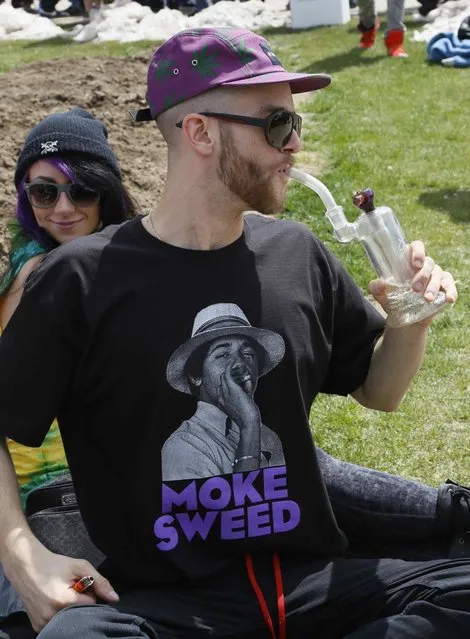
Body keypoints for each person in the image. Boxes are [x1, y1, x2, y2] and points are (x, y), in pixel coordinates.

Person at [0, 28, 469, 635]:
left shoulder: (296, 253)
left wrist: (409, 323)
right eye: (277, 126)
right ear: (200, 132)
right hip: (168, 602)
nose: (295, 146)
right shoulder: (82, 279)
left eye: (295, 127)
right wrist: (21, 556)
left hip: (307, 580)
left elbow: (380, 392)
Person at [0, 107, 135, 638]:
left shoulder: (117, 264)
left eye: (81, 192)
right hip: (45, 491)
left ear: (106, 194)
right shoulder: (34, 271)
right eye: (43, 192)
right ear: (25, 196)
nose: (62, 208)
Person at [162, 302, 286, 480]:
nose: (240, 364)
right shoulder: (184, 446)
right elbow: (240, 507)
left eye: (248, 354)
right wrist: (249, 425)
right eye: (223, 355)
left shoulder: (269, 438)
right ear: (196, 375)